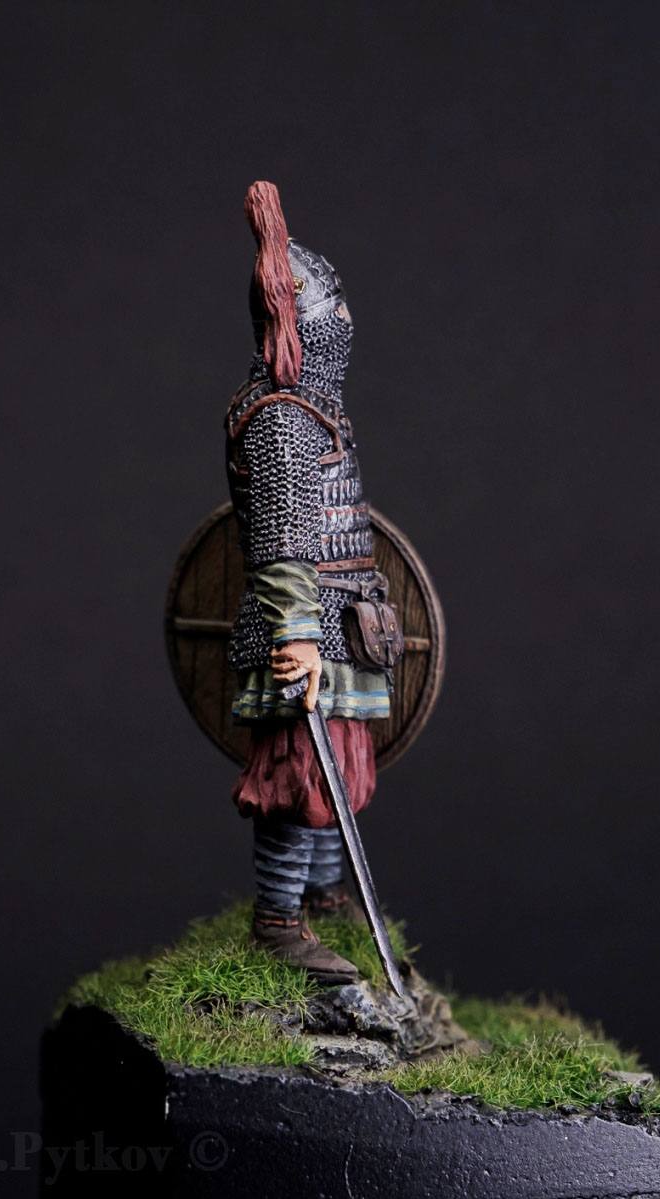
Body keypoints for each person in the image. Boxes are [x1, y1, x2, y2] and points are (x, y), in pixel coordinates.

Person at [225, 182, 390, 983]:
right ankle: (277, 920)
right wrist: (297, 633)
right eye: (336, 310)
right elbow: (284, 537)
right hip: (303, 632)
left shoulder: (315, 409)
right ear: (303, 324)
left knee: (337, 772)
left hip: (339, 624)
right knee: (296, 779)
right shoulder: (282, 419)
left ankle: (324, 897)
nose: (346, 320)